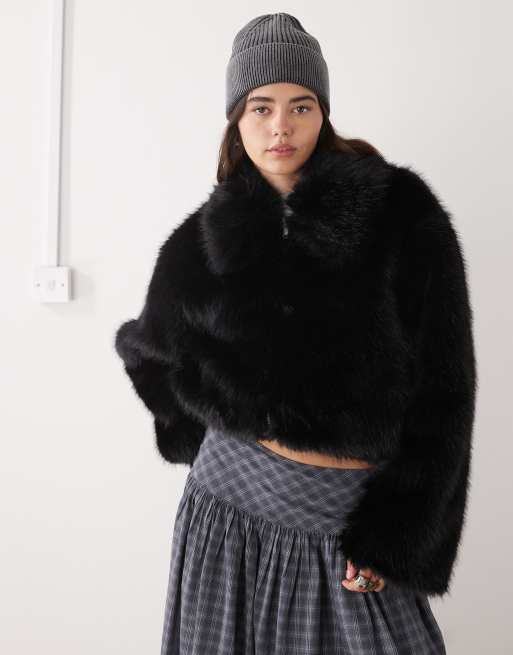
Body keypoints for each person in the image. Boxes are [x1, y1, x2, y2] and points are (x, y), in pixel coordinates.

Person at [114, 12, 477, 655]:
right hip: (226, 516)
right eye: (261, 107)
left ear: (322, 113)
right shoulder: (199, 243)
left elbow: (447, 393)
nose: (280, 126)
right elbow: (149, 353)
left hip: (346, 521)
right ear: (236, 119)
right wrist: (204, 426)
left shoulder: (401, 215)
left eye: (299, 106)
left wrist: (397, 537)